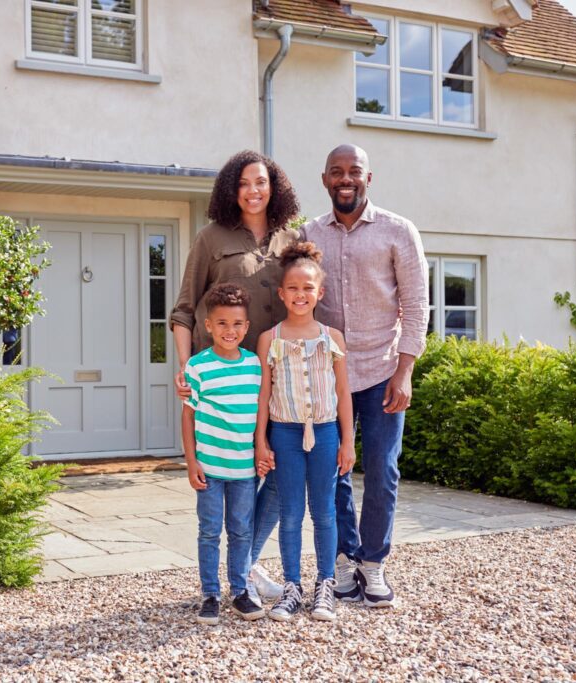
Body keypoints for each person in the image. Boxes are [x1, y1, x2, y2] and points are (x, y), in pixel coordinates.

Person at [300, 144, 429, 609]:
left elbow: (415, 306)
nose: (345, 179)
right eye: (337, 172)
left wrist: (405, 371)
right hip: (328, 374)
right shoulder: (309, 233)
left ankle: (372, 564)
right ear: (325, 179)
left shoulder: (399, 231)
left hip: (381, 370)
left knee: (383, 469)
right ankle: (341, 558)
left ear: (368, 179)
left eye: (354, 171)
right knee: (331, 471)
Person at [170, 149, 301, 604]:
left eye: (261, 182)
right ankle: (235, 575)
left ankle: (242, 564)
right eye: (244, 182)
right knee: (231, 468)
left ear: (274, 187)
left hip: (279, 378)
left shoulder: (292, 239)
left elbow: (307, 297)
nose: (253, 190)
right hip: (224, 381)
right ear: (232, 188)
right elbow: (185, 309)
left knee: (281, 471)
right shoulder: (211, 238)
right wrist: (186, 368)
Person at [253, 242, 355, 622]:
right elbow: (265, 395)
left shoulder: (332, 338)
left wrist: (348, 442)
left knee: (324, 512)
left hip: (326, 433)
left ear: (320, 292)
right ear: (281, 293)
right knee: (292, 512)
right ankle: (292, 587)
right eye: (292, 288)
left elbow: (342, 393)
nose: (300, 294)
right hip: (285, 434)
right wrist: (261, 440)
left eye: (307, 288)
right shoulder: (271, 339)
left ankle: (324, 585)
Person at [181, 283, 267, 625]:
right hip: (210, 469)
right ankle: (210, 594)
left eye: (236, 324)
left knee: (242, 531)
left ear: (246, 327)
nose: (229, 331)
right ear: (207, 325)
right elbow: (187, 418)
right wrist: (191, 462)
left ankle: (241, 591)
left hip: (245, 470)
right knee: (209, 531)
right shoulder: (197, 368)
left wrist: (261, 446)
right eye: (221, 324)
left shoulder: (255, 365)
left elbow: (261, 411)